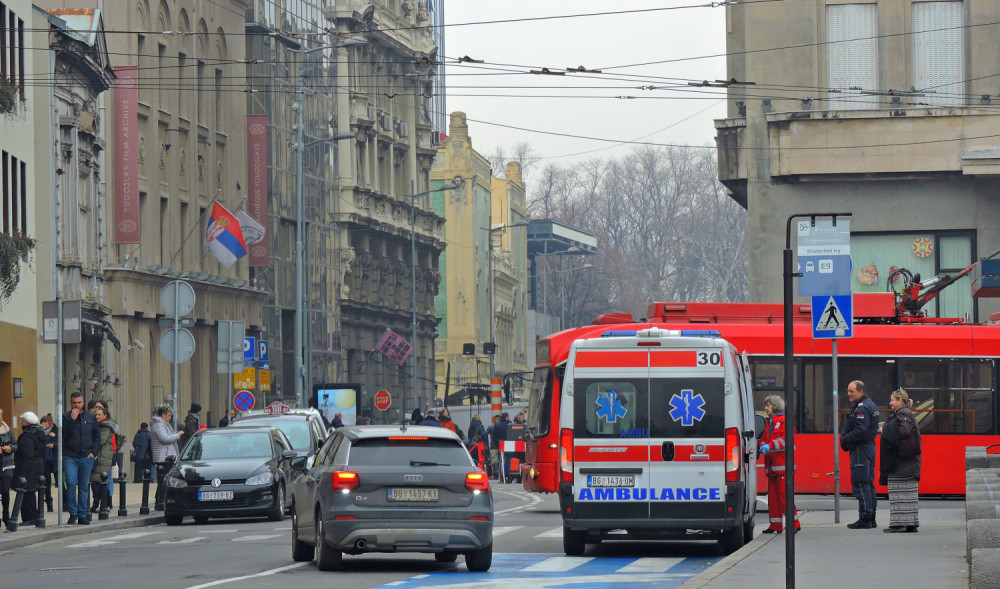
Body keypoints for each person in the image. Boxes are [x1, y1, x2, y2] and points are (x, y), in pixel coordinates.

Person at [879, 388, 921, 533]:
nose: (890, 403)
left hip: (902, 464)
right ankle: (910, 524)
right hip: (908, 464)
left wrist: (885, 430)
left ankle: (898, 524)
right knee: (909, 494)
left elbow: (903, 431)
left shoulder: (903, 414)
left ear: (900, 400)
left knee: (898, 493)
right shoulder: (905, 413)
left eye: (892, 400)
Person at [757, 395, 801, 534]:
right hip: (773, 469)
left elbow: (785, 440)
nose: (765, 408)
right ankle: (775, 525)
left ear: (775, 406)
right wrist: (763, 444)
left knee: (784, 497)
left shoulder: (784, 421)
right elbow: (765, 438)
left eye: (768, 405)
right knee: (774, 499)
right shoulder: (770, 422)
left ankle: (794, 524)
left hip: (783, 468)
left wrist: (769, 446)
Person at [841, 379, 880, 529]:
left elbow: (861, 430)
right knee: (868, 484)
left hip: (860, 450)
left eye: (852, 391)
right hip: (869, 448)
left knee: (860, 483)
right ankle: (871, 517)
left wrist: (845, 438)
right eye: (848, 391)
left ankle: (865, 518)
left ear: (861, 391)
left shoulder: (862, 408)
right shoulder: (870, 405)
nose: (848, 394)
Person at [62, 391, 101, 525]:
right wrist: (71, 420)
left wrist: (94, 452)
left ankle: (82, 514)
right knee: (71, 483)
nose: (77, 405)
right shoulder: (66, 417)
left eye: (79, 402)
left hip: (86, 455)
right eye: (74, 403)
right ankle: (73, 513)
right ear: (70, 403)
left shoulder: (90, 417)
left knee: (84, 486)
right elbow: (63, 435)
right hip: (70, 456)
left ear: (83, 402)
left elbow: (96, 436)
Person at [13, 412, 46, 527]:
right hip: (38, 466)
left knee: (26, 491)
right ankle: (34, 516)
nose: (21, 423)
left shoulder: (27, 436)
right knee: (31, 491)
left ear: (27, 422)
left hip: (29, 467)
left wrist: (22, 473)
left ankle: (29, 517)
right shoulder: (39, 434)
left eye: (23, 421)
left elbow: (27, 455)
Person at [150, 405, 184, 511]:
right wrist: (177, 435)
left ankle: (160, 500)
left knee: (163, 480)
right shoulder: (159, 425)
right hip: (164, 457)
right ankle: (159, 501)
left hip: (167, 456)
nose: (170, 417)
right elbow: (164, 438)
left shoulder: (163, 424)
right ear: (163, 415)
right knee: (163, 480)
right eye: (169, 415)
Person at [90, 406, 121, 515]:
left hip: (102, 458)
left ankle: (103, 503)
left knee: (99, 482)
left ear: (105, 416)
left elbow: (100, 440)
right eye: (95, 414)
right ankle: (100, 504)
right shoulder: (98, 426)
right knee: (96, 483)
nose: (97, 416)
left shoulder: (105, 427)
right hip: (99, 457)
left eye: (99, 415)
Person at [0, 409, 15, 527]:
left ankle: (6, 515)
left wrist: (10, 448)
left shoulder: (8, 431)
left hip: (7, 465)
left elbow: (16, 445)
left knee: (5, 491)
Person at [40, 414, 57, 512]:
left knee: (59, 482)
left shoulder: (56, 430)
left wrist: (54, 445)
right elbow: (40, 442)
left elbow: (61, 442)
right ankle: (49, 502)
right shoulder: (41, 432)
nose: (43, 424)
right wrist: (48, 436)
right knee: (46, 483)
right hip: (45, 459)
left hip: (54, 459)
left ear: (50, 423)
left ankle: (65, 502)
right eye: (42, 422)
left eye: (45, 422)